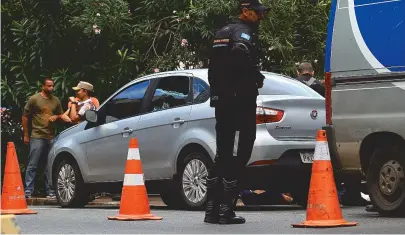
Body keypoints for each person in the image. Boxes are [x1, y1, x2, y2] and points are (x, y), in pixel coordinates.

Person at [204, 0, 270, 224]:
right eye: (258, 13)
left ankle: (211, 209)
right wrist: (256, 76)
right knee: (241, 152)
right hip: (240, 99)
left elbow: (213, 66)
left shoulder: (221, 32)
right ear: (245, 11)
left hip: (221, 100)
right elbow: (241, 54)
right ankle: (226, 210)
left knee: (222, 152)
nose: (261, 17)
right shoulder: (243, 32)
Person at [23, 77, 71, 199]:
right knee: (33, 164)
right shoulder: (34, 99)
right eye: (49, 86)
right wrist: (26, 134)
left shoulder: (55, 100)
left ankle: (50, 191)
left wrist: (56, 116)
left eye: (52, 86)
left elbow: (62, 114)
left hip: (50, 136)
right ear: (43, 86)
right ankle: (28, 190)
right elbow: (25, 116)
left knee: (49, 164)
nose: (51, 88)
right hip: (37, 135)